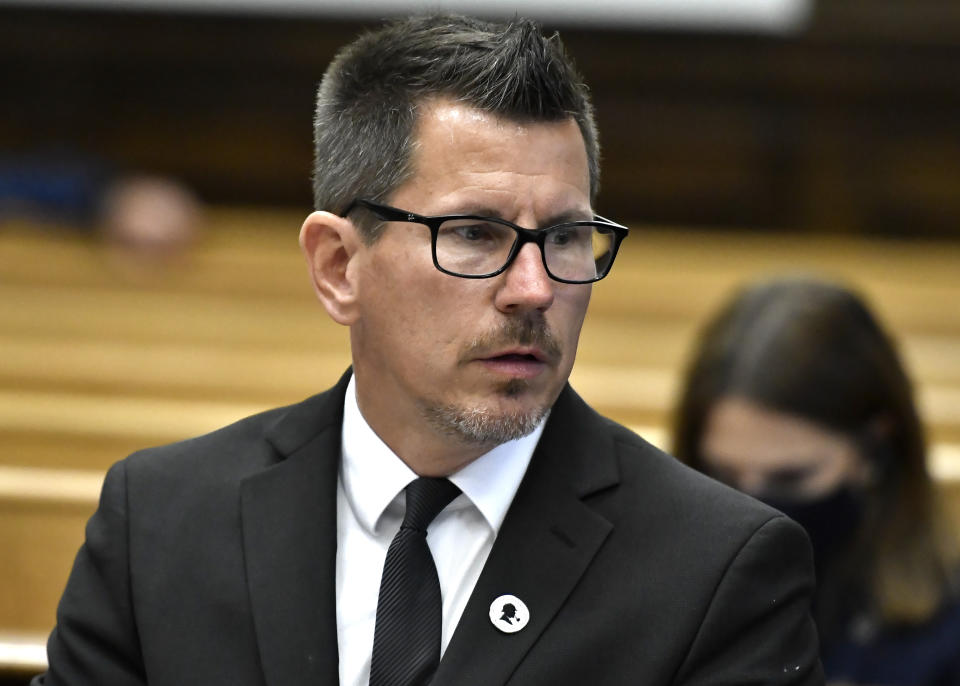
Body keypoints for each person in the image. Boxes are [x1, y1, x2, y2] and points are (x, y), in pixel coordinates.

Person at [35, 15, 823, 686]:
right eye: (475, 234)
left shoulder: (718, 569)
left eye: (566, 238)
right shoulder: (162, 519)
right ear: (339, 267)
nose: (534, 289)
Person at [672, 275, 960, 685]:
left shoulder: (944, 631)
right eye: (722, 476)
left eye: (790, 478)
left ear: (874, 446)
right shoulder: (654, 595)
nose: (752, 506)